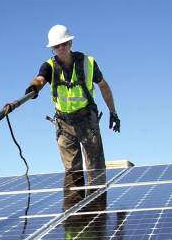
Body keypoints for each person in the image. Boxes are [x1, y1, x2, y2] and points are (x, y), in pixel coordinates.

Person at [25, 25, 119, 177]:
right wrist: (33, 88)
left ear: (70, 43)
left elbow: (103, 85)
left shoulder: (87, 62)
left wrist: (113, 112)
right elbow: (40, 79)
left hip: (87, 121)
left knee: (96, 169)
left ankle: (97, 202)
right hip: (64, 124)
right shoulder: (49, 66)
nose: (61, 48)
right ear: (52, 49)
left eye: (64, 44)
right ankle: (76, 202)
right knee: (72, 173)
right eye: (57, 46)